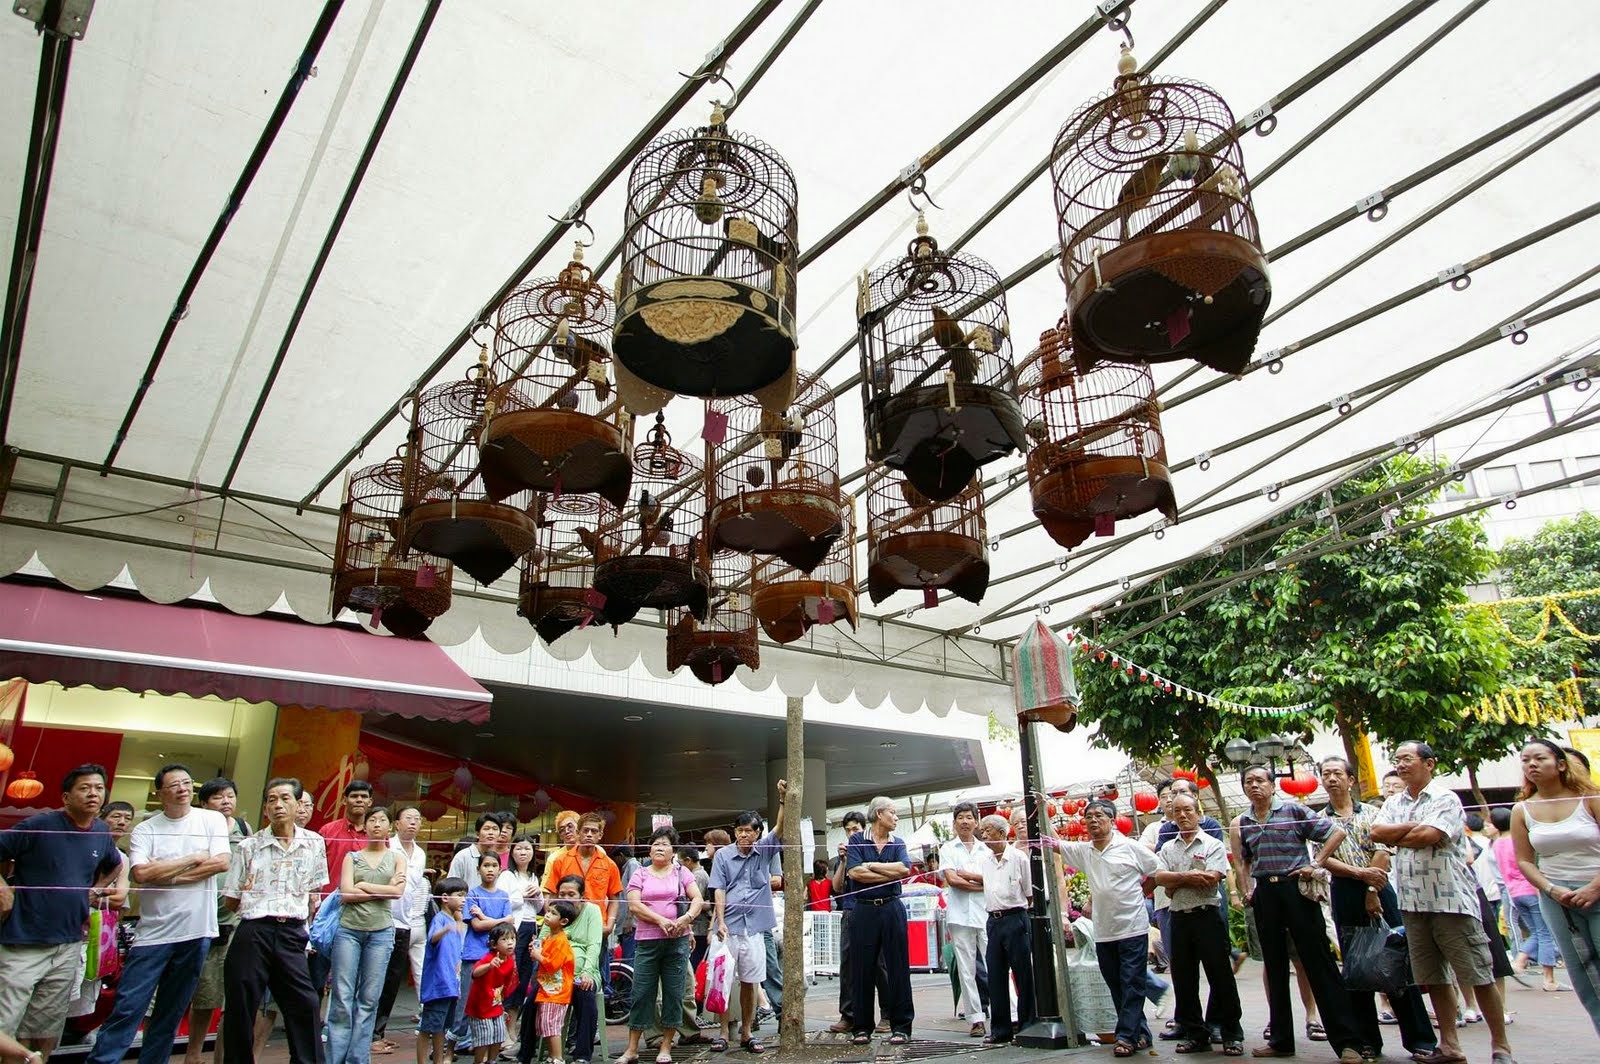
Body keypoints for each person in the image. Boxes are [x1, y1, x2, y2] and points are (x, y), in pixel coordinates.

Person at [1373, 740, 1515, 1064]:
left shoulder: (1445, 798)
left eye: (1407, 759)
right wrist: (1411, 828)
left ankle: (1501, 1047)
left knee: (1477, 973)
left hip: (1450, 899)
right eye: (1397, 760)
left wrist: (1400, 833)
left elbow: (1429, 837)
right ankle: (1449, 1046)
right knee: (1432, 976)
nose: (1401, 765)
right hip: (1412, 901)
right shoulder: (1395, 801)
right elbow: (1377, 833)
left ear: (1429, 763)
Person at [86, 764, 231, 1064]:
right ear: (161, 792)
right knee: (128, 1007)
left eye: (187, 782)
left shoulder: (211, 819)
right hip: (153, 935)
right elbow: (141, 872)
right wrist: (193, 858)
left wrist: (165, 873)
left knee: (171, 1012)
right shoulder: (146, 829)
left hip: (197, 932)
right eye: (174, 784)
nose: (182, 788)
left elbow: (220, 864)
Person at [1231, 764, 1360, 1062]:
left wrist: (1317, 862)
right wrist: (1247, 888)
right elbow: (1245, 860)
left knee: (1319, 963)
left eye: (1260, 780)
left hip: (1297, 891)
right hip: (1265, 895)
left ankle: (1347, 1042)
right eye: (1248, 782)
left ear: (1272, 785)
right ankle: (1280, 1041)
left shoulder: (1292, 811)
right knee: (1274, 968)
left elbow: (1335, 832)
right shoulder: (1244, 821)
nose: (1255, 786)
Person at [1316, 755, 1436, 1062]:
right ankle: (1367, 1039)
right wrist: (1359, 875)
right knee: (1356, 967)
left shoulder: (1374, 813)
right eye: (1326, 774)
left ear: (1350, 779)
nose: (1332, 779)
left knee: (1397, 961)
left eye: (1337, 773)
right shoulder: (1319, 819)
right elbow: (1323, 858)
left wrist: (1372, 888)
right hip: (1343, 889)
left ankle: (1420, 1039)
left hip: (1381, 889)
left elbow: (1383, 850)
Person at [0, 764, 118, 1062]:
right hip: (22, 942)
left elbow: (115, 863)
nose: (93, 794)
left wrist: (95, 891)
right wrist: (2, 887)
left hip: (67, 944)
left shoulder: (102, 832)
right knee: (5, 1022)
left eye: (99, 788)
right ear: (66, 797)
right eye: (84, 788)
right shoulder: (40, 824)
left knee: (45, 1028)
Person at [220, 777, 328, 1064]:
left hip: (292, 931)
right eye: (271, 799)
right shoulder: (248, 846)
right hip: (254, 930)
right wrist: (249, 892)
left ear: (298, 805)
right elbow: (231, 900)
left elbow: (313, 893)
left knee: (305, 1003)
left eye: (285, 799)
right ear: (265, 808)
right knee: (242, 1004)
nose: (278, 805)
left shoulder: (314, 843)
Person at [1055, 799, 1158, 1056]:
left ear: (1112, 820)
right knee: (1116, 983)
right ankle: (1141, 1033)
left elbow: (1157, 871)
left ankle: (1125, 1037)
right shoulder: (1085, 851)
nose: (1093, 821)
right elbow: (1054, 844)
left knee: (1132, 981)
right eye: (1088, 816)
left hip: (1132, 927)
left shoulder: (1131, 847)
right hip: (1103, 930)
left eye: (1099, 815)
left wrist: (1143, 892)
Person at [1511, 737, 1600, 1036]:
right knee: (1581, 973)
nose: (1532, 765)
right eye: (1526, 760)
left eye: (1540, 758)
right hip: (1556, 899)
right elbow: (1525, 861)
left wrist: (1592, 888)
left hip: (1596, 889)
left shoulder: (1590, 799)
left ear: (1561, 764)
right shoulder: (1522, 810)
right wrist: (1551, 890)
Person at [1154, 792, 1243, 1056]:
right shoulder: (1168, 847)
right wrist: (1188, 877)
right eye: (1177, 811)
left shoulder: (1211, 844)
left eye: (1187, 810)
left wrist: (1176, 882)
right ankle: (1195, 1033)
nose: (1182, 815)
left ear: (1197, 813)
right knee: (1184, 979)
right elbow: (1159, 877)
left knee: (1221, 976)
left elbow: (1213, 877)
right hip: (1179, 918)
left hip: (1208, 915)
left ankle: (1231, 1034)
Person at [710, 783, 787, 1054]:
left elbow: (779, 827)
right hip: (728, 927)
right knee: (724, 979)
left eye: (748, 830)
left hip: (755, 928)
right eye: (739, 830)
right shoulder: (722, 855)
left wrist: (782, 799)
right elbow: (718, 888)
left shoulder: (764, 851)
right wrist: (719, 922)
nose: (743, 834)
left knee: (751, 981)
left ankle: (746, 1032)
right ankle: (722, 1032)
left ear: (757, 833)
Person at [618, 827, 703, 1064]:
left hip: (677, 942)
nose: (659, 848)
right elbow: (634, 905)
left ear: (673, 850)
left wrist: (685, 920)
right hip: (646, 941)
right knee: (641, 993)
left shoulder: (682, 872)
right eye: (655, 844)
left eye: (665, 844)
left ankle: (666, 1045)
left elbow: (697, 898)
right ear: (650, 848)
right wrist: (660, 920)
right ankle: (632, 1048)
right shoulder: (641, 874)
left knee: (674, 994)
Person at [329, 808, 405, 1064]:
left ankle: (358, 1059)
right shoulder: (352, 857)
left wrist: (364, 886)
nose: (376, 824)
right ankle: (335, 1058)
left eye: (381, 820)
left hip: (381, 932)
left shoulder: (397, 858)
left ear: (389, 828)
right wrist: (383, 890)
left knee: (369, 999)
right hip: (348, 930)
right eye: (371, 820)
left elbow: (398, 893)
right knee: (342, 997)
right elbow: (346, 894)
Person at [185, 777, 248, 1064]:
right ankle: (193, 1054)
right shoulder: (195, 829)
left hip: (233, 922)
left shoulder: (244, 830)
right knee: (201, 997)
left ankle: (221, 1058)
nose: (226, 801)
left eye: (230, 796)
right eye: (218, 797)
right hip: (195, 921)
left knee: (229, 997)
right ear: (203, 803)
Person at [843, 794, 913, 1047]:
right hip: (864, 910)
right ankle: (861, 1027)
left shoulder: (899, 842)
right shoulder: (856, 840)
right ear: (879, 814)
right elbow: (854, 873)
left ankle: (902, 1026)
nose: (896, 817)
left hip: (892, 908)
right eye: (892, 812)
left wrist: (871, 866)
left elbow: (905, 870)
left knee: (898, 968)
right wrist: (888, 872)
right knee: (862, 969)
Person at [520, 876, 600, 1064]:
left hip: (582, 973)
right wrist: (536, 950)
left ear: (582, 896)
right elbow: (542, 939)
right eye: (562, 893)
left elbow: (594, 945)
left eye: (571, 894)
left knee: (586, 998)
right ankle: (525, 1053)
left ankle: (582, 1055)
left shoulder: (592, 911)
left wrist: (587, 971)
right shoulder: (554, 913)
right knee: (531, 1002)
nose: (566, 897)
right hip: (552, 976)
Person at [374, 805, 430, 1055]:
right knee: (374, 977)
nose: (413, 823)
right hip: (382, 920)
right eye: (408, 818)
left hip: (406, 923)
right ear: (396, 824)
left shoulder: (420, 853)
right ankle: (369, 1033)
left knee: (392, 981)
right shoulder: (387, 847)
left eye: (417, 819)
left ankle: (378, 1032)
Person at [972, 813, 1031, 1044]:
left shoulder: (1019, 858)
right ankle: (1000, 1029)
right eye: (983, 831)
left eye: (988, 831)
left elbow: (1029, 893)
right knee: (995, 975)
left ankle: (1026, 1025)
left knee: (1022, 974)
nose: (984, 835)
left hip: (1015, 916)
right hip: (993, 920)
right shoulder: (985, 861)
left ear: (1002, 833)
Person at [827, 811, 886, 1035]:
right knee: (848, 964)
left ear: (865, 829)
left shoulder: (873, 848)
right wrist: (843, 861)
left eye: (856, 829)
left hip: (873, 909)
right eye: (848, 830)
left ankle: (887, 1014)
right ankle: (848, 1014)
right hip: (850, 910)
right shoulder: (843, 856)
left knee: (879, 964)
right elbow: (837, 887)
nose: (852, 834)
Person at [450, 852, 514, 1057]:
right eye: (485, 865)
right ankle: (451, 1044)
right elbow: (477, 926)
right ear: (478, 869)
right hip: (475, 954)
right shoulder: (473, 895)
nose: (490, 869)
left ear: (500, 869)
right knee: (466, 1001)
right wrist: (500, 920)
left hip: (498, 957)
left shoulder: (503, 895)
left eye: (494, 865)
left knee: (492, 1000)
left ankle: (479, 1047)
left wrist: (487, 918)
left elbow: (508, 924)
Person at [1492, 806, 1562, 991]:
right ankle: (1548, 978)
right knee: (1545, 932)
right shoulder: (1518, 840)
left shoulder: (1497, 843)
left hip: (1514, 892)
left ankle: (1520, 960)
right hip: (1530, 889)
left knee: (1537, 931)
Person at [938, 801, 990, 1038]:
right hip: (959, 916)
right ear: (954, 822)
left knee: (996, 965)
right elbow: (952, 880)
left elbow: (993, 880)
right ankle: (976, 1018)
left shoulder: (987, 850)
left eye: (969, 817)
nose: (965, 821)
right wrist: (983, 884)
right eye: (961, 817)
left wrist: (972, 879)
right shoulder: (948, 849)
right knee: (966, 971)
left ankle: (1009, 1014)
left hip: (986, 913)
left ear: (976, 821)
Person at [499, 833, 544, 1047]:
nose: (523, 852)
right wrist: (523, 897)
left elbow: (538, 907)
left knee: (524, 978)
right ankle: (503, 1031)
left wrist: (537, 895)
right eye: (518, 848)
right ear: (511, 852)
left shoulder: (534, 877)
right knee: (510, 977)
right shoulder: (506, 876)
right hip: (513, 930)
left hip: (530, 928)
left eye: (527, 849)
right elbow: (504, 902)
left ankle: (512, 1028)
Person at [417, 878, 468, 1064]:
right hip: (437, 987)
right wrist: (447, 929)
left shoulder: (454, 921)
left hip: (450, 986)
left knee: (440, 1029)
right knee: (427, 1028)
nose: (464, 900)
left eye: (465, 896)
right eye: (460, 895)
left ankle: (438, 1060)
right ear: (445, 897)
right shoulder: (440, 919)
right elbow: (433, 938)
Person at [530, 900, 579, 1064]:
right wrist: (537, 950)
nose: (548, 915)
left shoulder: (560, 941)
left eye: (553, 913)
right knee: (546, 1026)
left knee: (552, 1026)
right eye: (548, 911)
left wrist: (538, 956)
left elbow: (552, 965)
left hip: (557, 992)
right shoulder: (550, 937)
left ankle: (557, 1058)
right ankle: (552, 1057)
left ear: (563, 921)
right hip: (548, 989)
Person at [464, 926, 518, 1064]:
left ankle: (492, 1060)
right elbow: (475, 973)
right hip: (480, 1005)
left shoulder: (510, 961)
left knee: (499, 1035)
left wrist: (502, 1000)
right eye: (504, 939)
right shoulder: (489, 957)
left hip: (496, 1004)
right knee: (484, 1036)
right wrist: (489, 965)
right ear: (494, 944)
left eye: (512, 938)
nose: (510, 942)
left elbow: (506, 984)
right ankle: (479, 1061)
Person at [450, 816, 507, 891]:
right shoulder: (463, 856)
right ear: (477, 833)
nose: (491, 832)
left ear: (499, 834)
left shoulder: (496, 858)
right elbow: (451, 885)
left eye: (495, 829)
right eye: (486, 829)